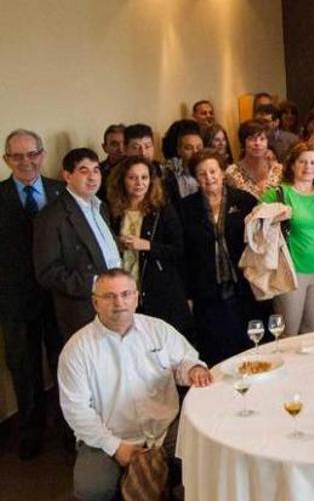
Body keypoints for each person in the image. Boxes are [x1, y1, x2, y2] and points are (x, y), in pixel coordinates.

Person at [57, 269, 212, 501]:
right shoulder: (77, 349)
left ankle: (161, 495)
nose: (119, 303)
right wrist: (115, 447)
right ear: (95, 302)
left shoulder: (158, 329)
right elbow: (76, 411)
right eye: (109, 296)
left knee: (205, 454)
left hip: (166, 427)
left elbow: (184, 361)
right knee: (92, 489)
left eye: (126, 294)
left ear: (136, 298)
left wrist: (194, 370)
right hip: (110, 435)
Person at [1, 129, 66, 460]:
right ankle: (30, 430)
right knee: (24, 369)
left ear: (41, 155)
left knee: (64, 364)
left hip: (58, 298)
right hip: (15, 301)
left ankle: (70, 428)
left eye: (32, 154)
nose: (25, 161)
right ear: (6, 159)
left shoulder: (61, 191)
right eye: (17, 156)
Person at [178, 149, 262, 364]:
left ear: (222, 172)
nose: (209, 178)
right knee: (215, 345)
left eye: (213, 171)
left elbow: (262, 238)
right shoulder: (185, 208)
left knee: (248, 341)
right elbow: (183, 253)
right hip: (205, 287)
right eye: (202, 174)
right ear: (195, 178)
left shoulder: (243, 200)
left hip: (244, 282)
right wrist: (187, 293)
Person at [34, 148, 122, 338]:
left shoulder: (101, 206)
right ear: (67, 175)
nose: (92, 177)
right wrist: (95, 284)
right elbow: (47, 272)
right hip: (83, 309)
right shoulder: (51, 216)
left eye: (96, 170)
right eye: (84, 170)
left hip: (115, 301)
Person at [105, 157, 191, 335]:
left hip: (159, 290)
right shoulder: (112, 211)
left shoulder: (163, 209)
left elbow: (179, 250)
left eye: (144, 178)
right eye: (132, 178)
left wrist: (147, 245)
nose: (139, 183)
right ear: (122, 180)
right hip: (125, 289)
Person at [260, 142, 314, 337]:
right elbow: (254, 225)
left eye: (313, 162)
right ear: (292, 165)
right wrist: (274, 217)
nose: (308, 167)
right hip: (291, 272)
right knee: (288, 334)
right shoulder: (278, 194)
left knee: (312, 331)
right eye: (302, 161)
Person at [225, 119, 283, 197]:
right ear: (243, 142)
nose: (257, 143)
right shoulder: (232, 173)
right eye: (251, 139)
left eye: (262, 139)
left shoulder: (278, 171)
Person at [164, 121, 204, 203]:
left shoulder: (210, 173)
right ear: (179, 150)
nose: (195, 152)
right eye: (189, 148)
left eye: (199, 148)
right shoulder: (172, 176)